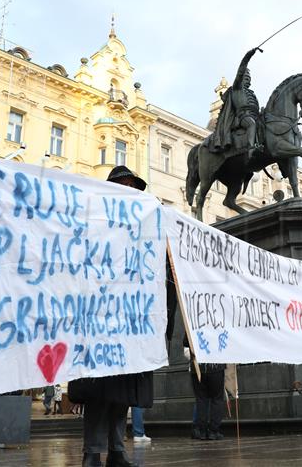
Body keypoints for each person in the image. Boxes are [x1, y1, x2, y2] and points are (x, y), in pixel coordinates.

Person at [69, 165, 177, 467]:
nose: (129, 191)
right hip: (99, 324)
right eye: (124, 186)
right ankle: (92, 451)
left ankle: (117, 450)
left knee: (121, 394)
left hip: (132, 326)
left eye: (133, 187)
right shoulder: (95, 222)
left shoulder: (147, 230)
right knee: (98, 394)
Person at [207, 47, 262, 159]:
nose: (248, 79)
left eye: (249, 78)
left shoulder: (251, 93)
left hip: (254, 116)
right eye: (246, 77)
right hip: (242, 117)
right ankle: (251, 149)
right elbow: (241, 70)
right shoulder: (237, 88)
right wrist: (248, 56)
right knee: (251, 123)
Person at [184, 334, 226, 440]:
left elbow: (186, 349)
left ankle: (202, 431)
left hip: (198, 367)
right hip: (216, 366)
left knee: (201, 399)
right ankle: (213, 430)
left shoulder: (191, 322)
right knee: (217, 399)